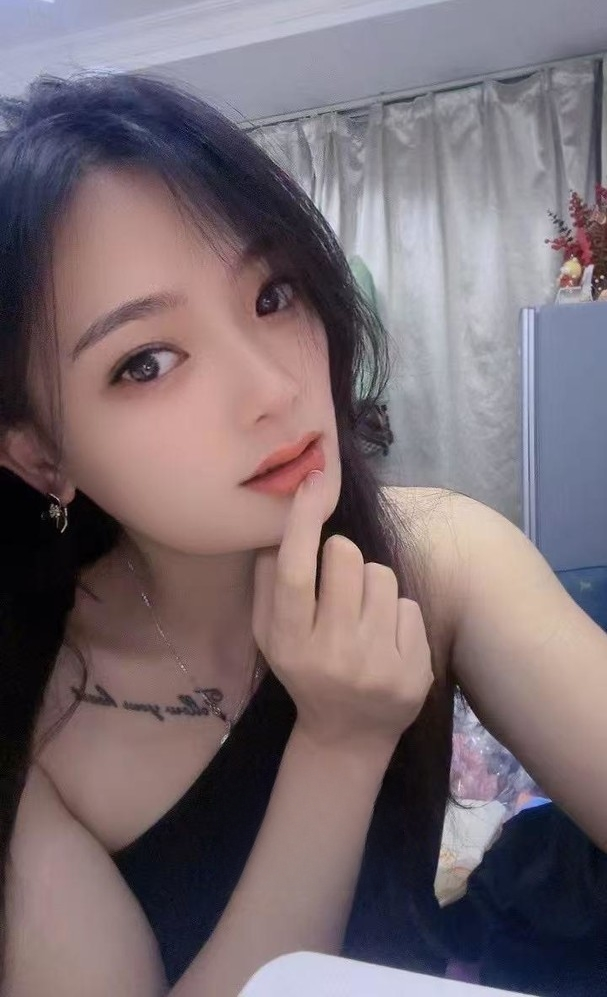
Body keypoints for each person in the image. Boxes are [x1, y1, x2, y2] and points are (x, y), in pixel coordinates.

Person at [0, 73, 604, 997]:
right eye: (147, 361)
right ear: (42, 455)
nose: (273, 389)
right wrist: (337, 745)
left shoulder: (441, 554)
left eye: (272, 294)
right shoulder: (32, 713)